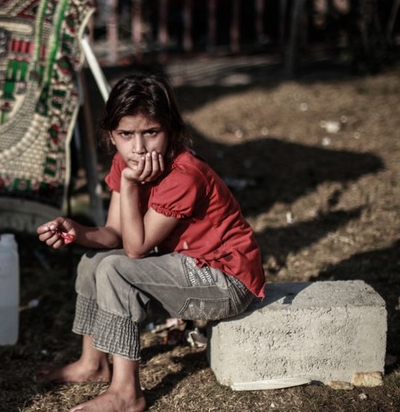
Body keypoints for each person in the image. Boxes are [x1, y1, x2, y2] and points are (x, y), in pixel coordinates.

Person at [36, 73, 265, 412]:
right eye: (126, 135)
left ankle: (127, 394)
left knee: (115, 268)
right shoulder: (123, 162)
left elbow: (135, 249)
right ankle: (93, 363)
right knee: (92, 260)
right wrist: (77, 231)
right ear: (111, 135)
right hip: (185, 267)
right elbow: (114, 233)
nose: (139, 148)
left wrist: (128, 187)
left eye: (151, 133)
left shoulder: (183, 175)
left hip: (225, 280)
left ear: (170, 131)